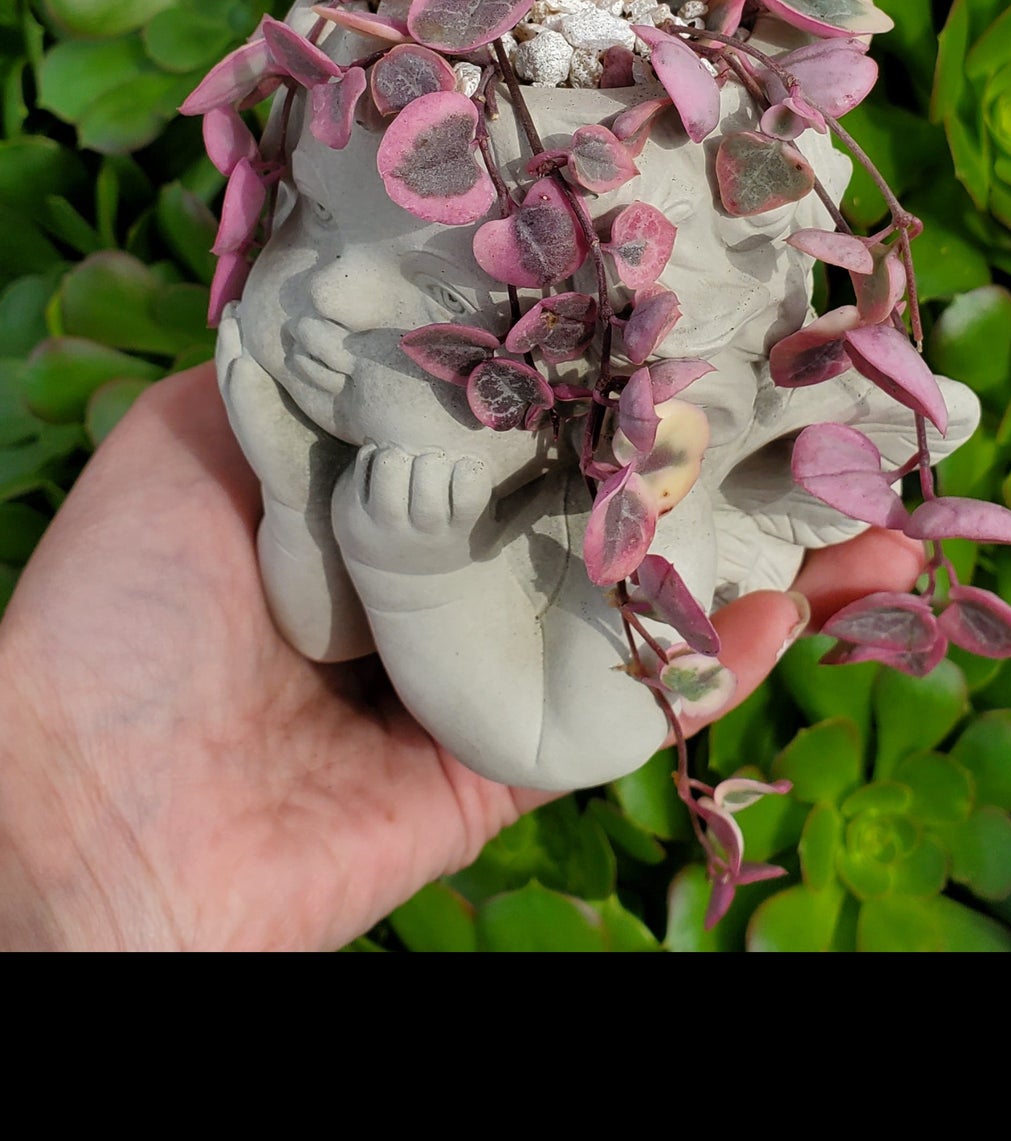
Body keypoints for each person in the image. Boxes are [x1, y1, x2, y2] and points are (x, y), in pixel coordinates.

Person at [0, 364, 923, 951]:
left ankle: (393, 559)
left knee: (569, 711)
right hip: (502, 567)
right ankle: (358, 540)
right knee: (339, 621)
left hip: (538, 647)